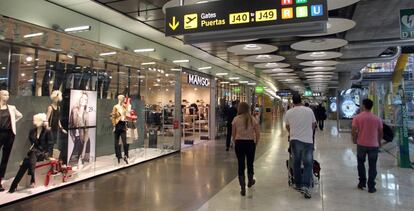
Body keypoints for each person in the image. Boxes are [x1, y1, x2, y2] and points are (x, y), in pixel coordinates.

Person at [9, 113, 53, 193]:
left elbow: (50, 144)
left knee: (29, 158)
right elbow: (31, 143)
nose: (33, 122)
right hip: (34, 153)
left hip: (42, 153)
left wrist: (48, 155)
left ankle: (17, 184)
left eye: (35, 120)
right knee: (26, 162)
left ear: (40, 121)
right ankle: (15, 185)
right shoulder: (32, 131)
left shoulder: (47, 131)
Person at [284, 94, 316, 199]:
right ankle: (305, 185)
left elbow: (287, 126)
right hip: (308, 140)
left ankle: (298, 184)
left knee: (296, 163)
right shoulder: (309, 111)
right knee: (308, 163)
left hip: (295, 140)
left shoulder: (289, 112)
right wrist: (308, 131)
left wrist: (292, 133)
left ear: (292, 102)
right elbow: (313, 124)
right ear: (301, 101)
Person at [352, 99, 383, 193]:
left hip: (361, 144)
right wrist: (379, 141)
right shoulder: (377, 118)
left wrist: (354, 139)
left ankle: (362, 183)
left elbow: (354, 130)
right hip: (374, 145)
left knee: (361, 163)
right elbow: (380, 131)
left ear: (363, 106)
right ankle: (371, 186)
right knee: (373, 165)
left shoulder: (357, 117)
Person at [232, 102, 260, 196]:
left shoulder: (236, 119)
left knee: (241, 164)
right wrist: (256, 142)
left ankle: (242, 187)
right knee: (250, 163)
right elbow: (257, 133)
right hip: (250, 143)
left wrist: (235, 142)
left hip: (239, 143)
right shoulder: (252, 119)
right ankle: (250, 181)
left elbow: (233, 134)